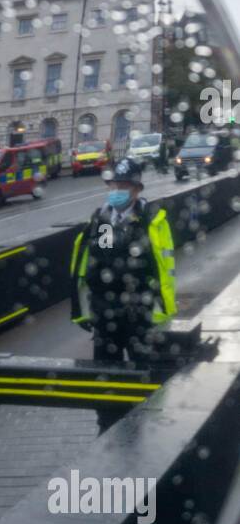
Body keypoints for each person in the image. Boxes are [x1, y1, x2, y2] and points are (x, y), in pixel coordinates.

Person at [70, 157, 176, 429]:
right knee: (106, 378)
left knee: (145, 376)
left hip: (139, 314)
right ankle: (108, 424)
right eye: (115, 184)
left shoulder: (151, 221)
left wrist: (165, 311)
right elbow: (97, 265)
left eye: (125, 185)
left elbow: (161, 269)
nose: (118, 190)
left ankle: (145, 425)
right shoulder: (103, 220)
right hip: (106, 316)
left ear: (137, 189)